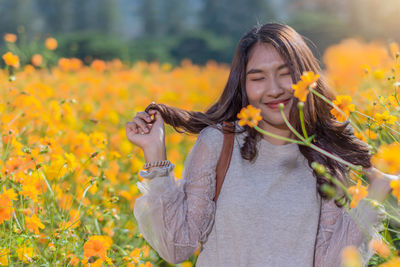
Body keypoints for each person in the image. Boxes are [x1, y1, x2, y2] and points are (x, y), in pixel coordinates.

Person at [126, 23, 395, 266]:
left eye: (285, 73)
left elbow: (330, 262)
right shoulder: (219, 142)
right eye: (258, 78)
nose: (274, 89)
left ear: (306, 77)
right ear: (243, 86)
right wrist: (155, 155)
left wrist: (374, 199)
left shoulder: (325, 152)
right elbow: (176, 247)